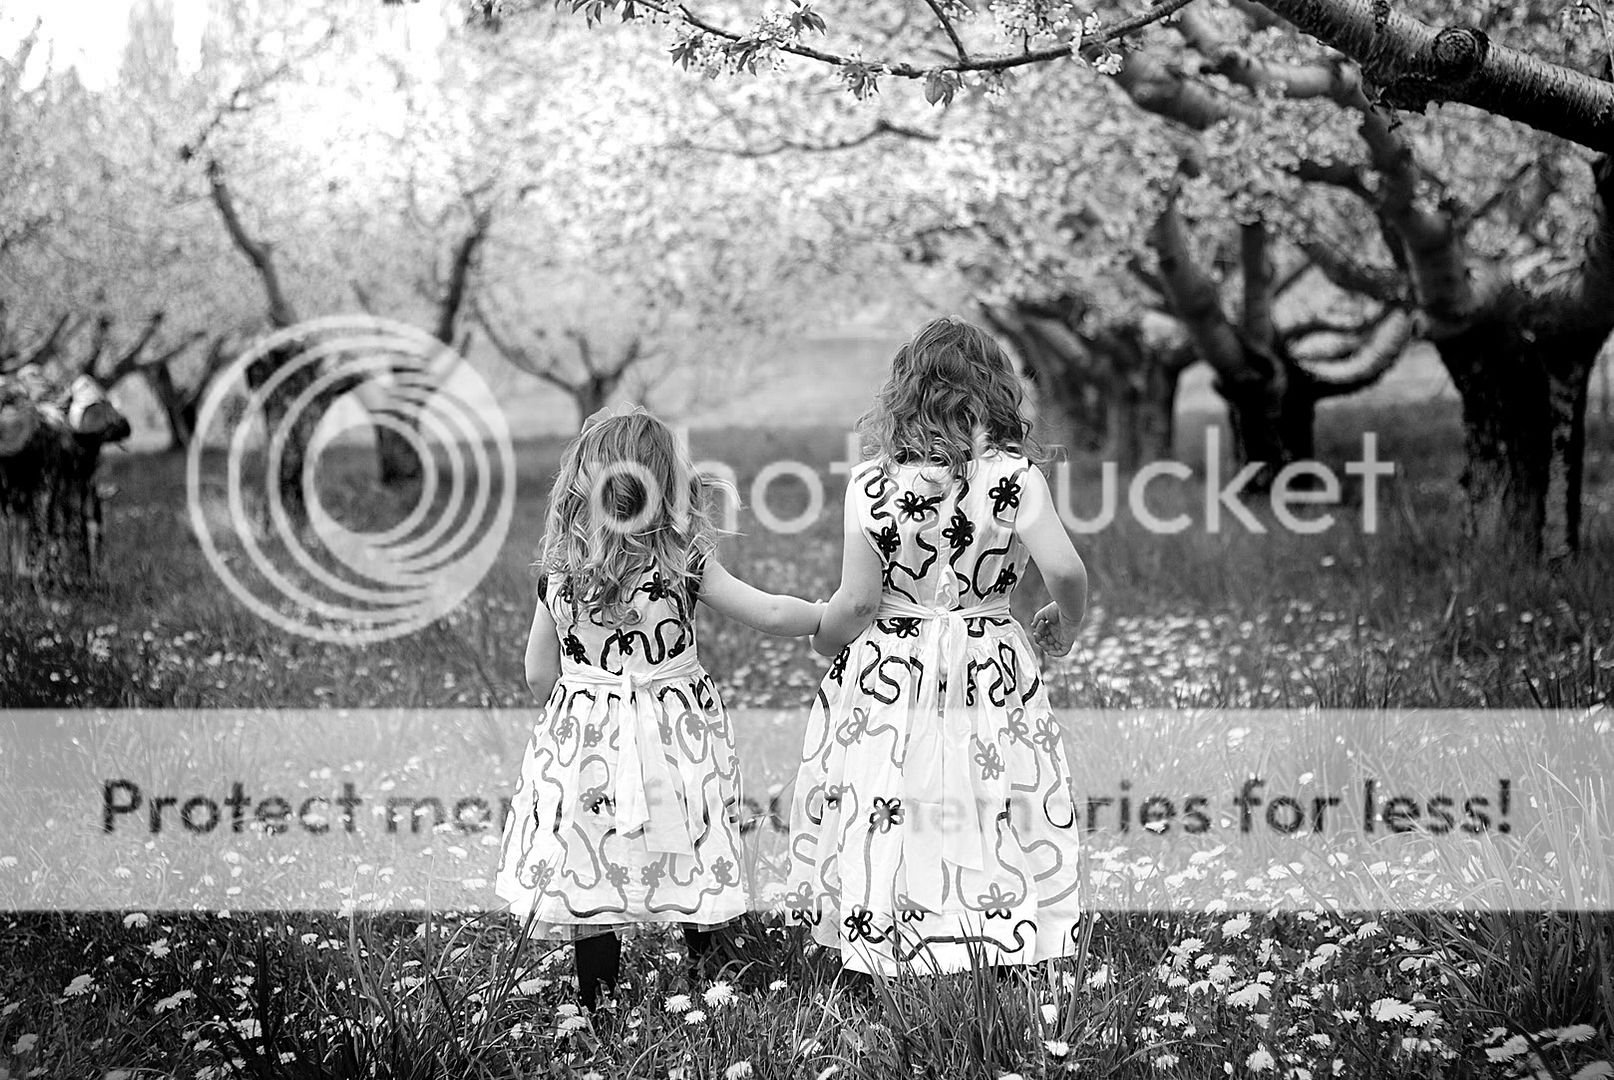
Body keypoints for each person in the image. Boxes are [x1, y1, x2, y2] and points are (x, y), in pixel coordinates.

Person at [785, 315, 1088, 976]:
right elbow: (1066, 570)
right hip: (990, 660)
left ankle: (885, 939)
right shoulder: (1017, 477)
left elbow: (857, 602)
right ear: (999, 391)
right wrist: (1065, 622)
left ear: (904, 395)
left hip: (889, 667)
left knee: (889, 795)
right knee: (995, 789)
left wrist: (826, 641)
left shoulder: (871, 485)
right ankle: (1002, 934)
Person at [495, 406, 823, 1008]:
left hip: (586, 739)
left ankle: (596, 1001)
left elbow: (537, 672)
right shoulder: (683, 565)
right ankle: (711, 978)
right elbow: (771, 612)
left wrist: (580, 708)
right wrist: (829, 618)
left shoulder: (560, 575)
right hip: (677, 733)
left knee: (591, 851)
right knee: (693, 836)